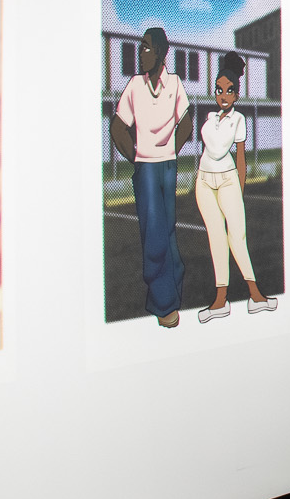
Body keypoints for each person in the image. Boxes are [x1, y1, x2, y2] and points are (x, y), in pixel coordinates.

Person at [112, 25, 188, 327]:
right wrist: (137, 158)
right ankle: (164, 305)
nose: (140, 53)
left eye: (145, 47)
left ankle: (174, 287)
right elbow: (118, 127)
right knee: (154, 234)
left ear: (160, 52)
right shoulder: (134, 85)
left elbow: (186, 122)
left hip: (167, 166)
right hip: (145, 168)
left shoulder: (175, 83)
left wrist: (170, 151)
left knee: (167, 231)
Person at [193, 51, 275, 322]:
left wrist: (239, 190)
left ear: (237, 95)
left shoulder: (238, 119)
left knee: (237, 237)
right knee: (216, 237)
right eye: (219, 90)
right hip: (204, 181)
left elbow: (239, 157)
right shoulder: (209, 118)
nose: (223, 95)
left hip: (228, 179)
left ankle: (256, 295)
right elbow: (208, 151)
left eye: (228, 91)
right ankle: (220, 300)